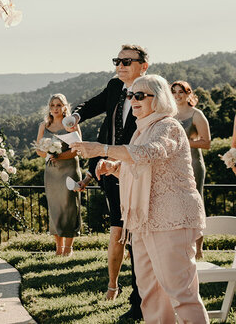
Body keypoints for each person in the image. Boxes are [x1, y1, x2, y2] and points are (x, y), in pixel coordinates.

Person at [72, 74, 208, 324]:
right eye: (130, 95)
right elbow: (141, 167)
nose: (132, 100)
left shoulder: (168, 125)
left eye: (140, 95)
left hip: (171, 220)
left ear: (159, 99)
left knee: (181, 293)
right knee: (151, 294)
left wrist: (102, 149)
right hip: (143, 221)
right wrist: (114, 167)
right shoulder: (142, 130)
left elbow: (151, 154)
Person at [65, 44, 148, 315]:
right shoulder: (114, 87)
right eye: (117, 61)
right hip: (110, 174)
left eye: (127, 61)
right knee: (119, 229)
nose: (120, 65)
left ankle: (140, 297)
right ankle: (117, 286)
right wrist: (76, 115)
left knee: (135, 235)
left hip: (137, 173)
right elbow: (93, 105)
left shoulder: (151, 92)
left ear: (143, 66)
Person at [35, 94, 82, 256]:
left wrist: (60, 156)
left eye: (58, 105)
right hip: (52, 172)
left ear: (64, 107)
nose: (55, 108)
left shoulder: (71, 124)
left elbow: (77, 149)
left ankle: (68, 249)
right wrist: (48, 154)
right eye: (52, 105)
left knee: (69, 206)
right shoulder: (44, 125)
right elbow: (38, 150)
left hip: (69, 169)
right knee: (54, 208)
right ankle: (58, 249)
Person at [172, 80, 211, 259]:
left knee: (195, 204)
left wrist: (184, 142)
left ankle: (199, 249)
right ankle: (178, 246)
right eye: (174, 92)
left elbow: (207, 143)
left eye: (181, 92)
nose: (178, 95)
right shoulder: (169, 114)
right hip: (172, 166)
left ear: (188, 94)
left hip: (193, 164)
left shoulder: (197, 115)